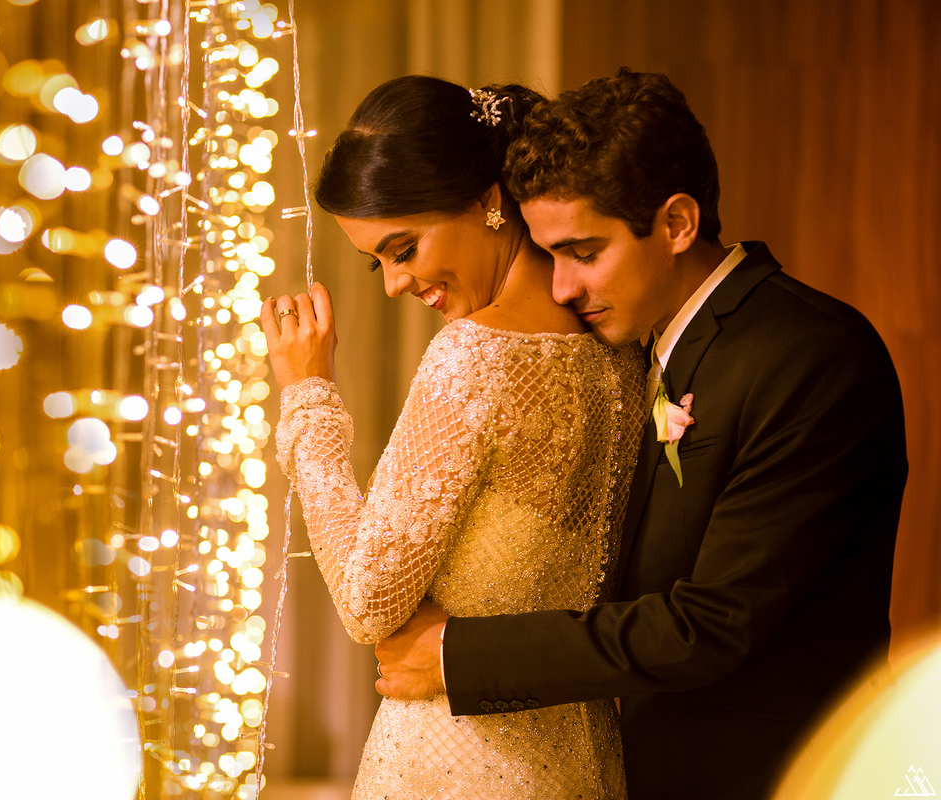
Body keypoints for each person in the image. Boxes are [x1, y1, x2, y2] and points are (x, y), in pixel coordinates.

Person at [374, 68, 908, 800]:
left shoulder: (809, 353)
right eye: (550, 254)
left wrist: (455, 655)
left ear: (677, 223)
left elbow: (709, 624)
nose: (562, 287)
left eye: (583, 252)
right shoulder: (644, 350)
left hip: (783, 775)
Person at [259, 75, 646, 798]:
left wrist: (309, 398)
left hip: (455, 759)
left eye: (403, 248)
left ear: (487, 200)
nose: (393, 284)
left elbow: (368, 601)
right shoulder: (620, 345)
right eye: (377, 261)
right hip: (584, 757)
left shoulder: (475, 357)